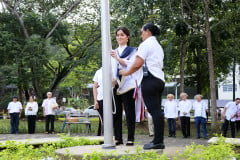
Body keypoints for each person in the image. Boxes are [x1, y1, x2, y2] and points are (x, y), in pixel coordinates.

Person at [119, 23, 165, 150]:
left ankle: (158, 141)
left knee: (154, 111)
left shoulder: (146, 44)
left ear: (148, 31)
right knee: (157, 111)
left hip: (150, 80)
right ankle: (158, 140)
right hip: (159, 79)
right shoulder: (157, 46)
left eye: (142, 32)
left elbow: (137, 64)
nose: (141, 35)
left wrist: (126, 72)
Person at [111, 27, 140, 146]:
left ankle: (130, 138)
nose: (119, 37)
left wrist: (118, 59)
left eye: (122, 35)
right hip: (116, 85)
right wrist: (111, 79)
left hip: (128, 85)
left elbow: (132, 65)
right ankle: (118, 137)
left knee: (129, 113)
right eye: (117, 35)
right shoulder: (113, 51)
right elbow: (111, 68)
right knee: (116, 113)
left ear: (128, 37)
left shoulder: (134, 51)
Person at [93, 67, 104, 136]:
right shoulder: (99, 71)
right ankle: (100, 136)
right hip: (100, 98)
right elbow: (94, 86)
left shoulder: (113, 69)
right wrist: (95, 101)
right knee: (102, 119)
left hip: (112, 98)